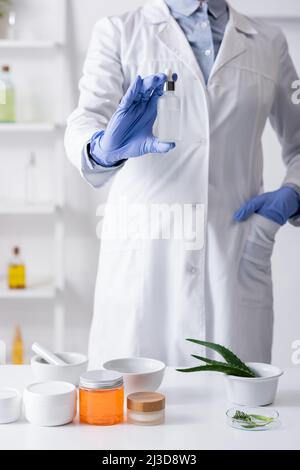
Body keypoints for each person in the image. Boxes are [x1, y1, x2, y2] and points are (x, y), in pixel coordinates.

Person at [65, 0, 300, 368]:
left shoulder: (268, 42)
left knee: (239, 414)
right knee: (129, 413)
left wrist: (294, 192)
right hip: (146, 264)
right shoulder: (119, 32)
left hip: (235, 258)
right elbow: (86, 117)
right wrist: (102, 148)